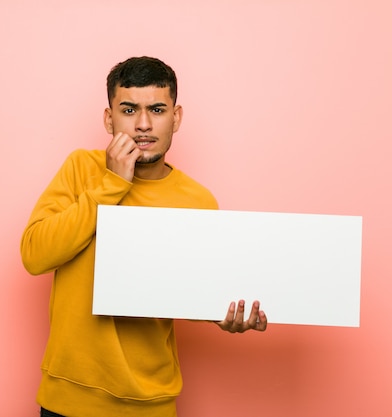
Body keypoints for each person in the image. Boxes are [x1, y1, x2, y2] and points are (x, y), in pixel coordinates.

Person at [21, 56, 268, 417]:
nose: (143, 124)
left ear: (176, 117)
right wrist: (112, 184)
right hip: (67, 400)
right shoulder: (80, 169)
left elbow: (188, 289)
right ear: (109, 119)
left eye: (156, 109)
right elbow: (35, 255)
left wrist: (222, 313)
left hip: (150, 404)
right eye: (128, 109)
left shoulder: (198, 200)